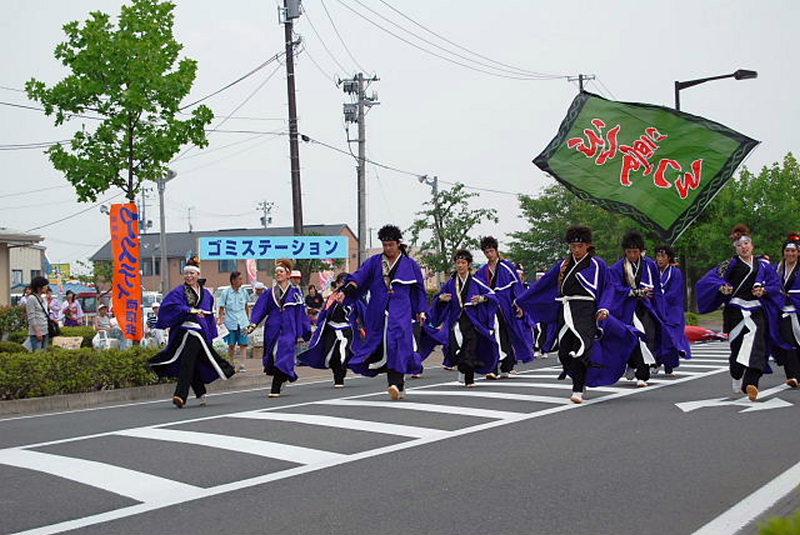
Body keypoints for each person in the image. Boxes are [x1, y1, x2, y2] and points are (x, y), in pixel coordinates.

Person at [516, 226, 637, 403]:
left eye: (580, 246)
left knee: (581, 349)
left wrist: (604, 308)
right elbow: (543, 284)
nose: (576, 250)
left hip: (587, 311)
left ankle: (578, 389)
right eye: (573, 246)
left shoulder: (598, 264)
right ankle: (580, 378)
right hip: (566, 310)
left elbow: (608, 287)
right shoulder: (564, 265)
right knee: (564, 352)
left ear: (588, 246)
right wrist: (521, 301)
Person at [340, 225, 428, 400]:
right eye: (385, 245)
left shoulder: (411, 265)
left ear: (398, 244)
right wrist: (350, 287)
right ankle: (396, 384)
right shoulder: (374, 262)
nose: (387, 248)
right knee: (383, 347)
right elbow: (360, 276)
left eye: (391, 245)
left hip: (401, 312)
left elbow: (420, 291)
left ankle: (395, 384)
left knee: (397, 345)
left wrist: (422, 310)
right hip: (378, 311)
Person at [697, 234, 786, 401]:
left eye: (746, 243)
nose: (744, 247)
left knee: (758, 346)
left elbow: (775, 284)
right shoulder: (729, 264)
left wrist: (764, 290)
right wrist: (722, 288)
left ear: (752, 246)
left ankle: (751, 383)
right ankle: (736, 373)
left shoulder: (763, 266)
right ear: (735, 248)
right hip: (735, 310)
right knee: (737, 348)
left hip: (757, 309)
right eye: (739, 245)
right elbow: (711, 279)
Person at [148, 259, 235, 408]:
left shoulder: (207, 294)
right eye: (186, 273)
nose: (189, 276)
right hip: (185, 331)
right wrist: (189, 310)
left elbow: (209, 314)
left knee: (192, 362)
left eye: (192, 273)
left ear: (198, 274)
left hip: (200, 332)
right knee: (188, 361)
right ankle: (184, 395)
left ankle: (193, 393)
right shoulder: (179, 292)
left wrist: (211, 331)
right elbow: (169, 306)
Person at [605, 231, 676, 387]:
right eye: (629, 252)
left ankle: (642, 374)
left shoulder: (650, 264)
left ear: (641, 251)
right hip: (627, 308)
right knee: (630, 337)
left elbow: (656, 288)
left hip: (647, 306)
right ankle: (631, 363)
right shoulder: (617, 268)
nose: (632, 255)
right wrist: (633, 292)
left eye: (635, 251)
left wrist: (661, 309)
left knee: (647, 336)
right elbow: (615, 288)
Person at [429, 250, 500, 387]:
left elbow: (492, 295)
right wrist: (441, 299)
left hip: (473, 321)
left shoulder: (476, 281)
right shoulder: (450, 283)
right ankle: (463, 369)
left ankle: (469, 379)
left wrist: (482, 298)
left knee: (471, 347)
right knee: (457, 348)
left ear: (469, 264)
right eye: (458, 263)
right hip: (456, 321)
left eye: (463, 263)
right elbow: (439, 298)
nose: (460, 265)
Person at [248, 259, 311, 398]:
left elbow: (301, 313)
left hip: (289, 329)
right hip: (273, 328)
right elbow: (260, 309)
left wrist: (305, 331)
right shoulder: (269, 293)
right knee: (273, 355)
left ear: (288, 274)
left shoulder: (295, 293)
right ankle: (284, 376)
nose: (278, 274)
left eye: (281, 272)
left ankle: (275, 387)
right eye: (276, 272)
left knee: (284, 353)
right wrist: (253, 324)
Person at [475, 236, 534, 379]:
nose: (489, 254)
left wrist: (519, 304)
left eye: (491, 251)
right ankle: (492, 367)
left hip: (507, 305)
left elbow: (517, 287)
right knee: (493, 336)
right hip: (490, 306)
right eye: (486, 252)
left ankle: (508, 365)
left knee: (507, 335)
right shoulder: (482, 271)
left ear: (496, 250)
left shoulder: (508, 267)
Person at [298, 273, 362, 387]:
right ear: (337, 283)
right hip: (331, 328)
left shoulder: (354, 298)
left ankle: (340, 376)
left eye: (345, 282)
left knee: (342, 352)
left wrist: (363, 326)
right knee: (330, 354)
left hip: (346, 329)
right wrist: (319, 324)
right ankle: (336, 373)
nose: (342, 284)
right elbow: (324, 313)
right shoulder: (332, 297)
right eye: (340, 281)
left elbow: (362, 312)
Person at [655, 244, 692, 374]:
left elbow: (675, 292)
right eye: (658, 255)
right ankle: (658, 361)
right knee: (660, 337)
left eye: (663, 256)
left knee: (671, 336)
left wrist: (661, 299)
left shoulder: (675, 272)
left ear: (669, 257)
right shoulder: (654, 271)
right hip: (658, 308)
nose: (659, 258)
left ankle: (669, 365)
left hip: (672, 309)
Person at [774, 235, 800, 388]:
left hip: (798, 309)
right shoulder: (778, 268)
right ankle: (792, 376)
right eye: (787, 250)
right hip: (783, 311)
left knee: (798, 343)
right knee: (787, 342)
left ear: (798, 253)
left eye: (793, 251)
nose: (790, 254)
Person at [218, 271, 251, 372]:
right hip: (230, 321)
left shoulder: (244, 292)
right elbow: (221, 308)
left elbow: (246, 306)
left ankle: (242, 365)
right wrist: (221, 319)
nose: (241, 281)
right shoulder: (226, 292)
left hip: (243, 321)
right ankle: (231, 363)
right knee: (231, 344)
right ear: (233, 280)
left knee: (243, 344)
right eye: (239, 279)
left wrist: (248, 320)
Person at [26, 276, 51, 351]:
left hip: (45, 330)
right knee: (38, 353)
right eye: (45, 285)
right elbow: (31, 317)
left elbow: (45, 313)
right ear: (39, 287)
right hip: (37, 333)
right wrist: (37, 332)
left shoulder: (42, 298)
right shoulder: (31, 298)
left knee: (44, 353)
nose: (46, 287)